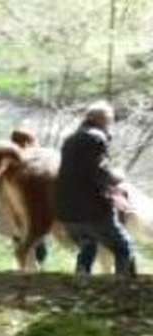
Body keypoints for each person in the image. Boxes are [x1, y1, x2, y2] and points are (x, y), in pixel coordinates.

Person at [55, 101, 136, 277]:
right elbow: (98, 171)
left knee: (87, 245)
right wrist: (117, 177)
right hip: (93, 211)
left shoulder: (70, 138)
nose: (111, 126)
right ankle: (124, 288)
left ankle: (81, 282)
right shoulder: (96, 138)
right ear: (104, 120)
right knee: (124, 247)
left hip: (67, 211)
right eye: (111, 121)